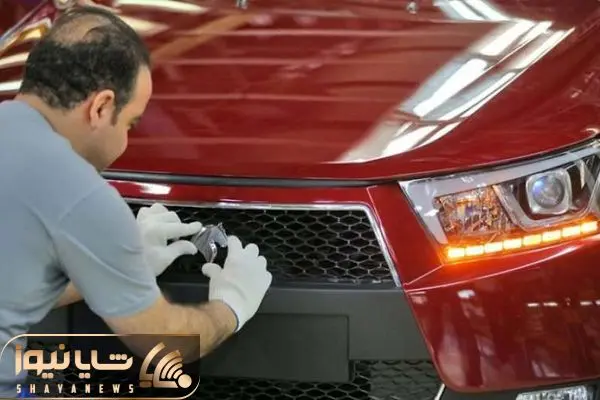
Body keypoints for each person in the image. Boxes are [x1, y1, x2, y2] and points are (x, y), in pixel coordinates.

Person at [0, 5, 272, 398]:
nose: (126, 141)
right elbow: (165, 344)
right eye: (130, 123)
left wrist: (115, 267)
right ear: (100, 107)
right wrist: (233, 304)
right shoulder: (79, 192)